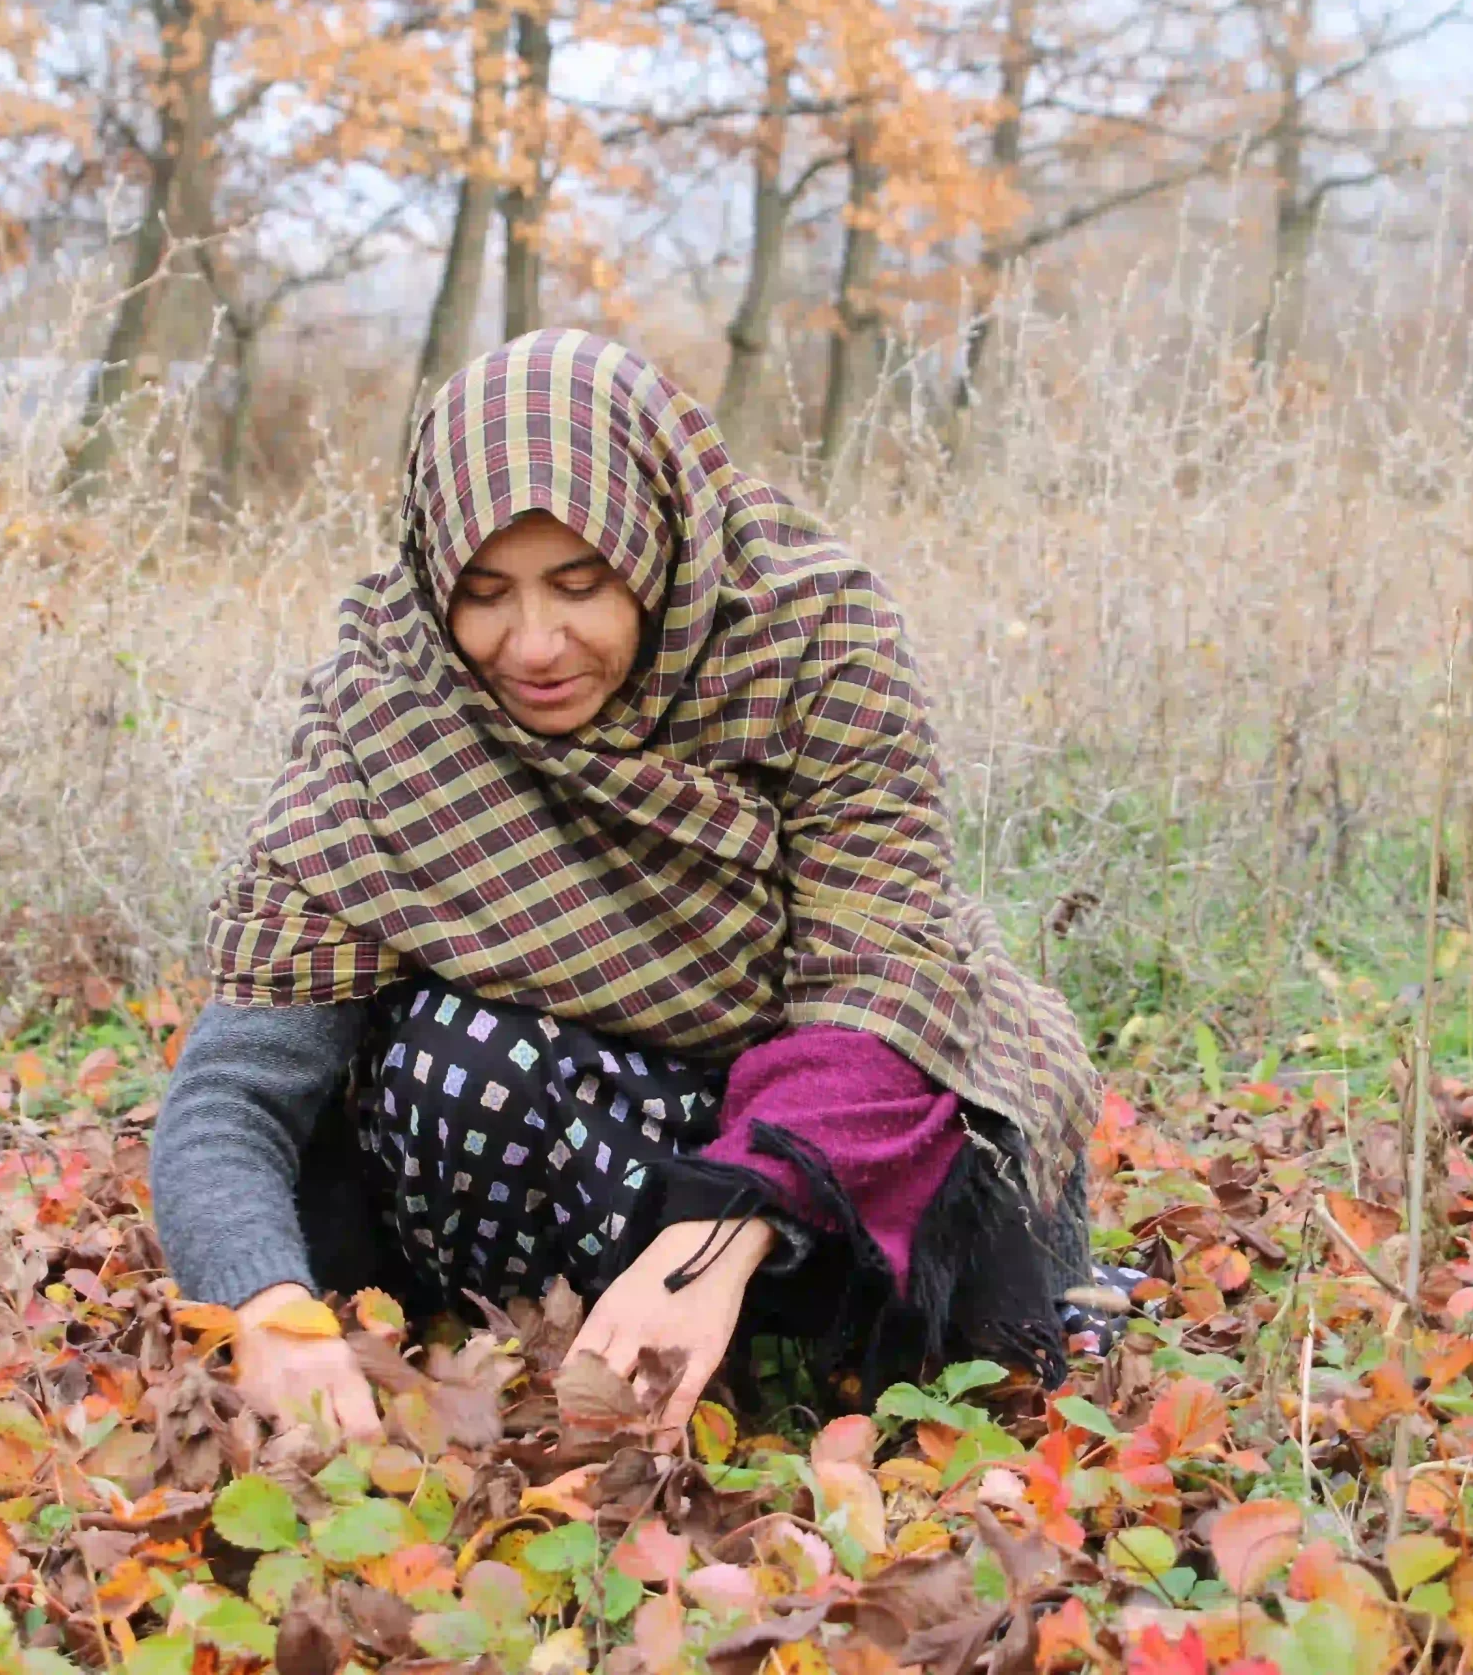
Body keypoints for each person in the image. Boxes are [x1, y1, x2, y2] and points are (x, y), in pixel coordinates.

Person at [149, 329, 1101, 1442]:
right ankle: (543, 1352)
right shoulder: (392, 712)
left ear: (652, 546)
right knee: (452, 1057)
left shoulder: (810, 644)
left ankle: (767, 1342)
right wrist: (267, 1308)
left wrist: (715, 1238)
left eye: (579, 583)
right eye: (486, 592)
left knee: (927, 1125)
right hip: (569, 1133)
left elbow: (875, 993)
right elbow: (234, 1091)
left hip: (796, 1133)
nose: (533, 643)